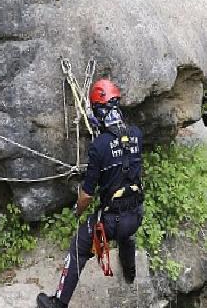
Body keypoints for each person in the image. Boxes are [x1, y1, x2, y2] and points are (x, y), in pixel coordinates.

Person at [37, 79, 145, 308]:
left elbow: (86, 195)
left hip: (110, 223)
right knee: (127, 232)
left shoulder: (99, 146)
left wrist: (77, 211)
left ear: (98, 111)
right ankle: (130, 272)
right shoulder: (136, 134)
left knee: (79, 246)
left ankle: (58, 303)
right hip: (135, 216)